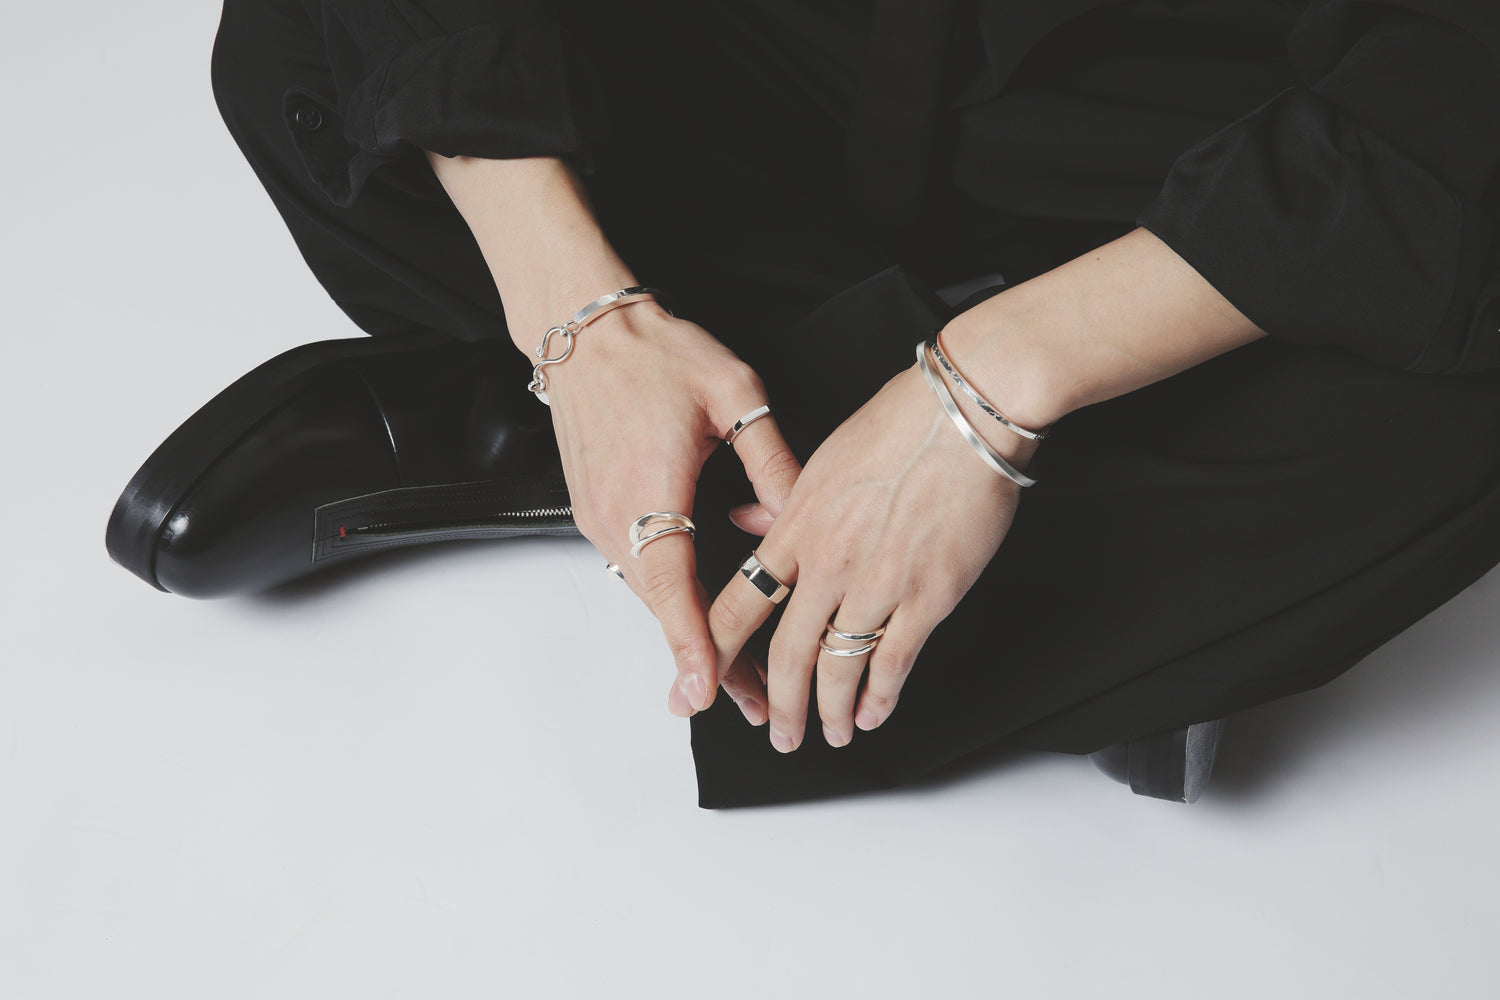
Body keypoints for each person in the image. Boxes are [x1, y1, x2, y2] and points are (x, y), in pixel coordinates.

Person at [108, 0, 1500, 807]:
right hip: (815, 62)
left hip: (1220, 140)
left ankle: (657, 453)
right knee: (299, 44)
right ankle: (608, 408)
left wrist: (994, 383)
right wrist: (580, 317)